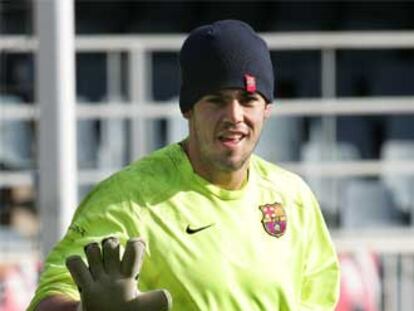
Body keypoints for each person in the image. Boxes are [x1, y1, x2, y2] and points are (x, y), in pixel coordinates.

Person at [28, 19, 340, 311]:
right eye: (216, 101)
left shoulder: (294, 198)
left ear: (267, 108)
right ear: (188, 108)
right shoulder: (129, 200)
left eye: (248, 100)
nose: (234, 116)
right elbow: (50, 297)